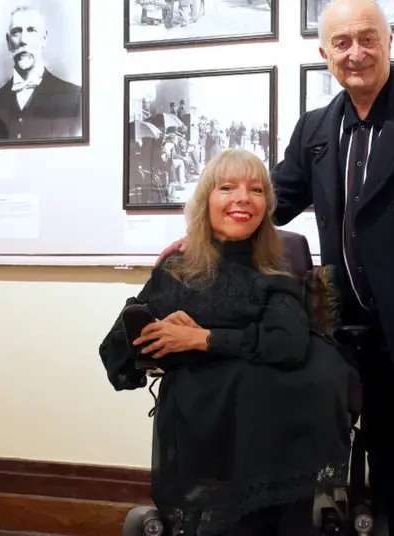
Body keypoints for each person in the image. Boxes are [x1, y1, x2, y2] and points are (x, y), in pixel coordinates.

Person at [155, 0, 394, 533]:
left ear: (388, 43)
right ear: (324, 53)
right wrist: (202, 237)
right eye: (341, 43)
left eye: (366, 38)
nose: (354, 53)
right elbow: (272, 199)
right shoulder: (316, 128)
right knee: (385, 456)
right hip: (356, 327)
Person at [100, 148, 357, 536]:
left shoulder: (275, 271)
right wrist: (157, 326)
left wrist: (201, 338)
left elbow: (286, 343)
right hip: (207, 417)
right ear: (206, 202)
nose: (242, 198)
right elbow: (119, 350)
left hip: (279, 422)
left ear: (266, 205)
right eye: (227, 187)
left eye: (256, 190)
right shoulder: (176, 271)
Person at [0, 5, 84, 143]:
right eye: (16, 31)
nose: (23, 40)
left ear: (44, 38)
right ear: (8, 42)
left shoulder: (75, 98)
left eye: (31, 30)